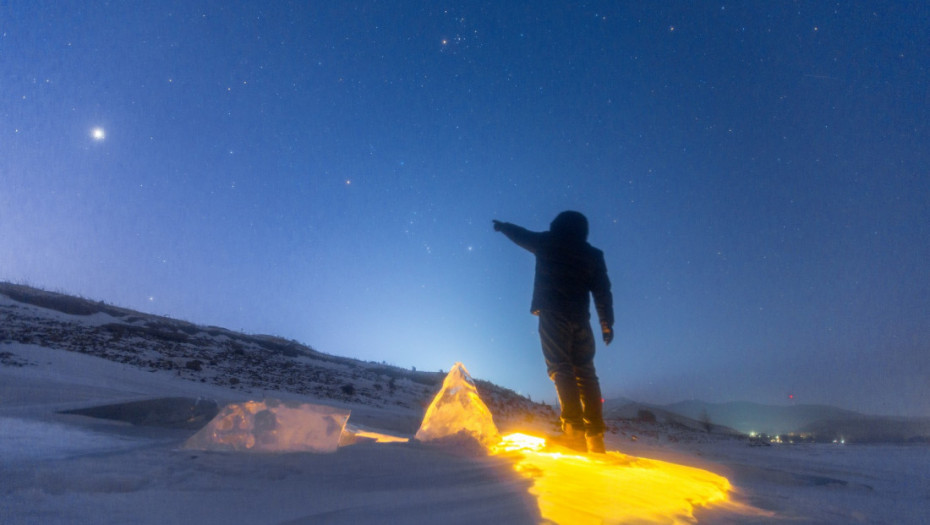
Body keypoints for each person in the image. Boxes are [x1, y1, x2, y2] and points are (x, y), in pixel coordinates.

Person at [493, 211, 614, 453]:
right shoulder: (593, 255)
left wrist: (504, 226)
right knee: (587, 374)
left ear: (558, 225)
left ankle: (573, 432)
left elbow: (522, 235)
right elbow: (603, 292)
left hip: (553, 313)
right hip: (581, 319)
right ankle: (595, 436)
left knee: (561, 367)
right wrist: (606, 323)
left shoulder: (547, 242)